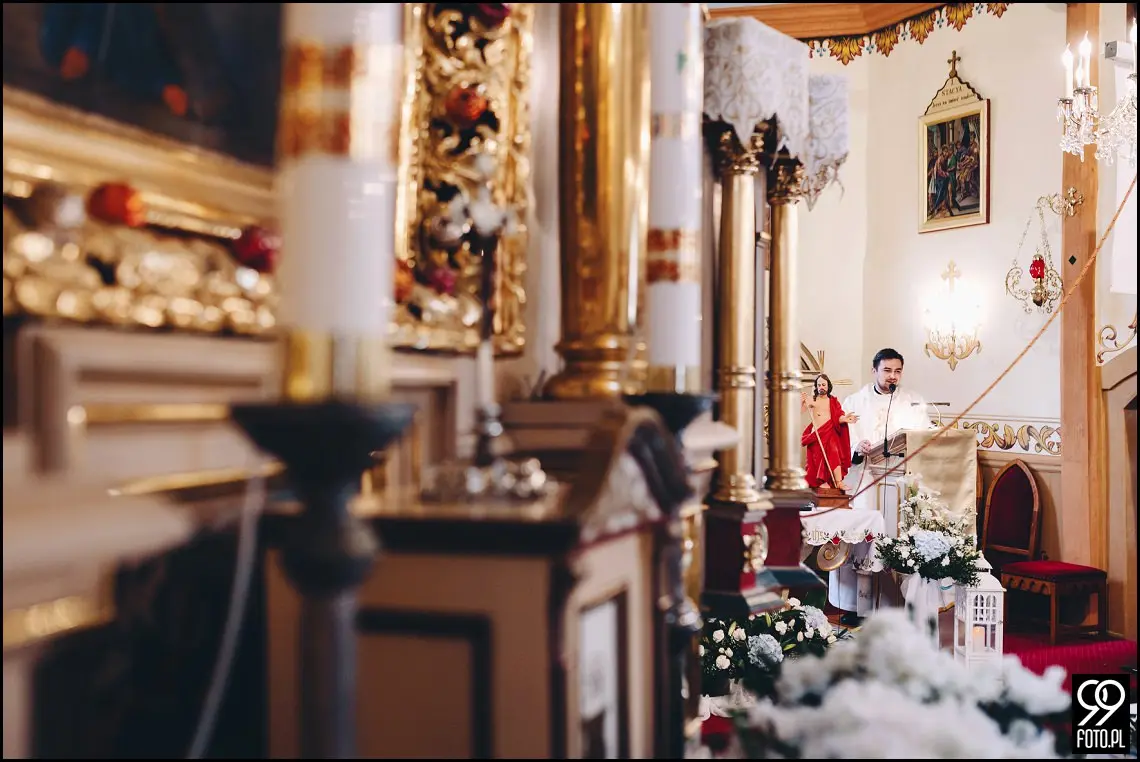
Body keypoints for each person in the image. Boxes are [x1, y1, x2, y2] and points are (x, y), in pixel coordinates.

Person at [830, 348, 933, 626]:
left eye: (897, 371)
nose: (892, 376)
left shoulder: (913, 403)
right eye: (887, 370)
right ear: (874, 370)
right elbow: (839, 441)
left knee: (892, 541)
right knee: (863, 542)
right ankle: (856, 607)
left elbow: (925, 438)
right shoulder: (854, 402)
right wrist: (856, 447)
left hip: (896, 484)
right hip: (864, 480)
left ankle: (893, 608)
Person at [800, 373, 857, 490]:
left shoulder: (833, 401)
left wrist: (844, 418)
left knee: (834, 452)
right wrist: (802, 402)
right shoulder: (812, 399)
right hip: (817, 436)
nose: (821, 387)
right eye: (819, 384)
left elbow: (837, 416)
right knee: (817, 460)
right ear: (816, 386)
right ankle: (821, 482)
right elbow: (799, 412)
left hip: (830, 433)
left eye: (824, 384)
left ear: (828, 386)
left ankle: (838, 482)